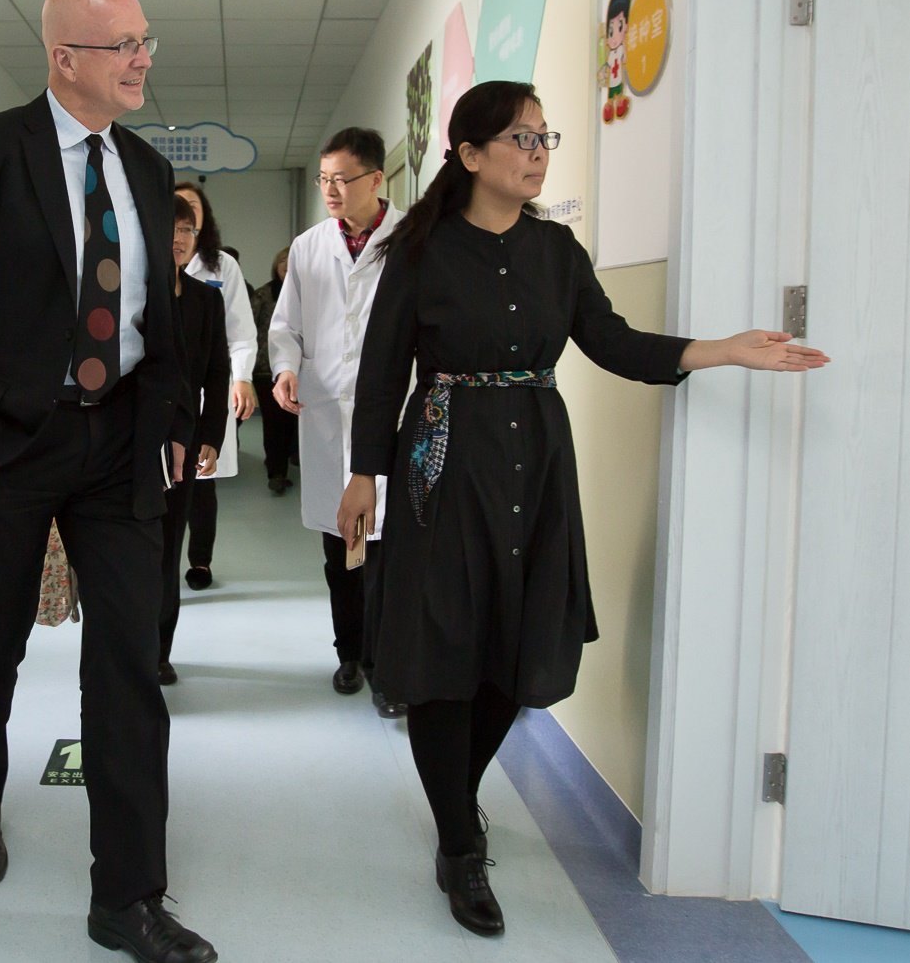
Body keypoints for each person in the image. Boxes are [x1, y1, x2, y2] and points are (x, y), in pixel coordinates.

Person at [337, 80, 829, 938]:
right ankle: (459, 844)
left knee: (517, 645)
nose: (537, 152)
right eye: (521, 139)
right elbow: (382, 374)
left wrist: (724, 350)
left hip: (535, 461)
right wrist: (361, 476)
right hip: (443, 466)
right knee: (446, 646)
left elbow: (613, 343)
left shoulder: (557, 251)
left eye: (543, 137)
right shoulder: (419, 252)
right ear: (469, 155)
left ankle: (455, 805)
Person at [0, 0, 217, 963]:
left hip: (117, 449)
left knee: (126, 664)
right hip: (9, 445)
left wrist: (163, 422)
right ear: (63, 58)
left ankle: (127, 897)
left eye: (145, 41)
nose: (141, 60)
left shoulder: (151, 173)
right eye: (119, 44)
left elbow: (156, 321)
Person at [269, 127, 404, 702]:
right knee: (339, 549)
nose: (330, 189)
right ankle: (350, 654)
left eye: (341, 179)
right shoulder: (307, 247)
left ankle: (388, 664)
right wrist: (285, 367)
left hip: (391, 413)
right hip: (326, 414)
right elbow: (286, 326)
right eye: (324, 179)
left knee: (389, 551)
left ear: (376, 180)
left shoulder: (412, 241)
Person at [159, 196, 230, 686]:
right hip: (127, 444)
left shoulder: (207, 299)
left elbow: (217, 373)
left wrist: (212, 435)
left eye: (187, 230)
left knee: (167, 552)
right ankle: (125, 650)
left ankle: (159, 653)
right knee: (128, 555)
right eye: (170, 229)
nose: (179, 239)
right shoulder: (130, 293)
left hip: (181, 447)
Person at [173, 182, 257, 591]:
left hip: (210, 386)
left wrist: (243, 377)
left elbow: (241, 330)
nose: (183, 224)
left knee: (202, 482)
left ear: (201, 219)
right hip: (166, 393)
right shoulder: (151, 263)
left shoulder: (222, 266)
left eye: (191, 211)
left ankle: (200, 562)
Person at [250, 246, 298, 495]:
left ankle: (285, 463)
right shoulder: (262, 294)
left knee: (290, 421)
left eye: (291, 260)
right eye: (282, 260)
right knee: (274, 422)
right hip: (265, 370)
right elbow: (248, 329)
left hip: (297, 369)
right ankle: (276, 473)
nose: (287, 265)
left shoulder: (305, 294)